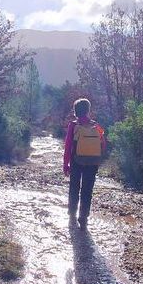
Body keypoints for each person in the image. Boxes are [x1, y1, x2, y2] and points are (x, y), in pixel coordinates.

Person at [63, 98, 106, 229]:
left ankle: (72, 214)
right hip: (92, 162)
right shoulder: (96, 126)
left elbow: (68, 146)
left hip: (76, 160)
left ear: (76, 111)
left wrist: (66, 164)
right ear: (88, 110)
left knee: (74, 187)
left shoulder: (73, 125)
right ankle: (84, 218)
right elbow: (103, 145)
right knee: (87, 190)